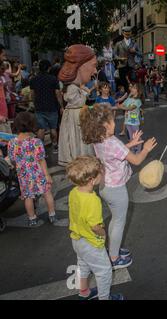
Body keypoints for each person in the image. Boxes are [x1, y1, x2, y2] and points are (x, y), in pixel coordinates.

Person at [79, 104, 157, 269]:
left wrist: (130, 143)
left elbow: (115, 152)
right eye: (113, 120)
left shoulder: (99, 140)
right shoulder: (112, 142)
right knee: (119, 222)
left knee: (115, 220)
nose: (116, 122)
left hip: (105, 186)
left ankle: (113, 249)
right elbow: (136, 160)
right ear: (105, 125)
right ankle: (114, 258)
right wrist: (145, 149)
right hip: (116, 189)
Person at [66, 156, 124, 300]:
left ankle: (84, 292)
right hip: (91, 243)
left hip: (77, 239)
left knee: (83, 266)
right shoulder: (93, 200)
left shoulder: (74, 192)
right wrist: (103, 234)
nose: (102, 174)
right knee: (104, 271)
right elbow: (94, 226)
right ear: (92, 180)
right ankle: (105, 298)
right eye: (100, 172)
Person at [7, 112, 57, 227]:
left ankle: (32, 218)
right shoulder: (36, 142)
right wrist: (47, 175)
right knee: (47, 193)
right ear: (32, 125)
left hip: (23, 175)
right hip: (39, 174)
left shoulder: (12, 143)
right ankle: (52, 214)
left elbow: (12, 159)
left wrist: (20, 166)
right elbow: (41, 160)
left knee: (28, 197)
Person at [58, 45, 97, 166]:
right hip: (76, 117)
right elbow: (78, 101)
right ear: (81, 66)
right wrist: (86, 91)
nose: (95, 71)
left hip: (77, 115)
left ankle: (81, 160)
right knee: (77, 141)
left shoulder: (74, 87)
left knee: (80, 141)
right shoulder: (72, 88)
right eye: (94, 65)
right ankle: (80, 161)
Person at [30, 59, 64, 153]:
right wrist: (61, 106)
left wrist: (35, 102)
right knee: (53, 128)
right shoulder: (53, 79)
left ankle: (40, 149)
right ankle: (55, 147)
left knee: (41, 129)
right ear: (49, 68)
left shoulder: (33, 79)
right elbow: (57, 94)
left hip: (39, 107)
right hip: (52, 107)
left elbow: (32, 94)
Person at [118, 83, 143, 153]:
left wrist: (121, 107)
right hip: (127, 121)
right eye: (132, 87)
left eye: (134, 88)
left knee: (137, 137)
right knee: (131, 137)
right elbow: (121, 105)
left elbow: (130, 108)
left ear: (138, 90)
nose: (132, 89)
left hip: (134, 122)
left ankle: (138, 151)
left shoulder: (138, 101)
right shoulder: (128, 99)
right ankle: (132, 150)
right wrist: (119, 106)